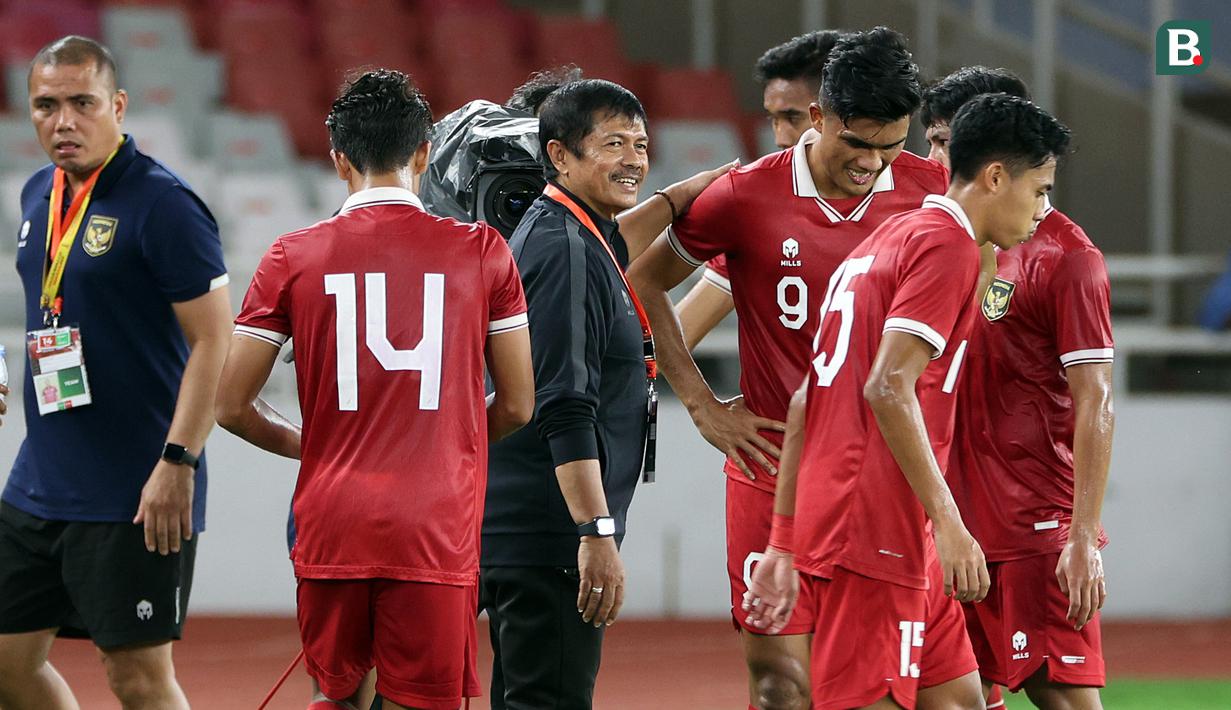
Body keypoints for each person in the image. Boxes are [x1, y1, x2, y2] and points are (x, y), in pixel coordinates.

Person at [627, 27, 945, 710]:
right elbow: (642, 278)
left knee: (886, 693)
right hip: (770, 465)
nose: (871, 165)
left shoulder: (933, 195)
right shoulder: (745, 195)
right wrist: (701, 403)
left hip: (885, 482)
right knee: (778, 685)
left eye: (890, 148)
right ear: (819, 118)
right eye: (856, 145)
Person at [215, 69, 535, 710]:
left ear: (338, 160)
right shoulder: (482, 250)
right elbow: (520, 404)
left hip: (334, 517)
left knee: (335, 696)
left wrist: (314, 446)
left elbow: (229, 403)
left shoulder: (292, 255)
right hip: (435, 519)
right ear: (423, 153)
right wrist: (454, 443)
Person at [743, 93, 1073, 709]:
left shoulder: (889, 237)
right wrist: (952, 524)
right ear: (996, 177)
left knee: (963, 702)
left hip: (888, 526)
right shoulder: (945, 247)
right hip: (875, 526)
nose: (1042, 211)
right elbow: (887, 386)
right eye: (1039, 190)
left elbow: (805, 403)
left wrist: (786, 543)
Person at [479, 78, 729, 709]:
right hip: (551, 531)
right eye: (613, 143)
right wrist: (594, 531)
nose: (634, 159)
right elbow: (563, 400)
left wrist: (682, 195)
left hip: (532, 525)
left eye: (641, 144)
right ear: (559, 156)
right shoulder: (563, 246)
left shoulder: (577, 230)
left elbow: (620, 239)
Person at [0, 36, 231, 709]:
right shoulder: (39, 194)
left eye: (81, 103)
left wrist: (178, 462)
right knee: (6, 664)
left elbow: (215, 344)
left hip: (137, 486)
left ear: (118, 106)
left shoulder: (165, 205)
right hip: (41, 478)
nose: (62, 121)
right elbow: (46, 311)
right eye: (46, 105)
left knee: (136, 678)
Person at [925, 67, 1115, 709]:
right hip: (953, 524)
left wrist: (1081, 537)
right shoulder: (941, 244)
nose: (937, 160)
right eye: (934, 142)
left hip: (1032, 529)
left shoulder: (1066, 257)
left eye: (947, 143)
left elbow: (1096, 398)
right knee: (957, 696)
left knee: (1061, 699)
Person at [674, 29, 847, 352]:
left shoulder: (916, 198)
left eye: (793, 118)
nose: (781, 137)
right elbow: (680, 327)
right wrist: (699, 401)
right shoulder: (758, 210)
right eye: (773, 119)